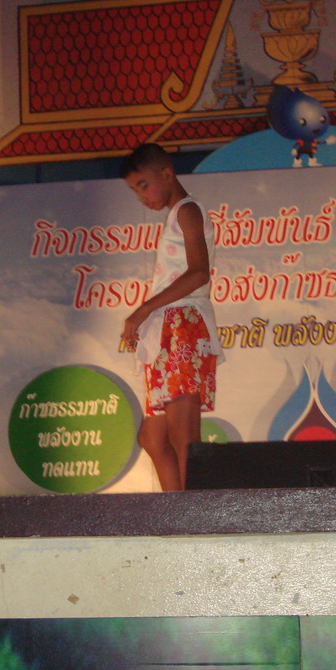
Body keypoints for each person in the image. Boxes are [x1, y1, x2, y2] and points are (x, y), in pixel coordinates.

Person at [119, 144, 224, 491]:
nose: (142, 196)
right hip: (169, 326)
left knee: (183, 437)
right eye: (135, 190)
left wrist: (144, 309)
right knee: (153, 437)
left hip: (184, 324)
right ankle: (176, 508)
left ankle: (191, 514)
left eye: (143, 185)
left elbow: (199, 272)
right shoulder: (176, 214)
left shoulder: (188, 210)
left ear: (166, 174)